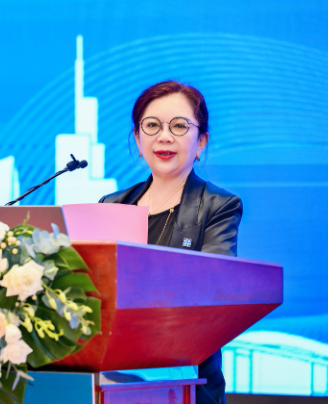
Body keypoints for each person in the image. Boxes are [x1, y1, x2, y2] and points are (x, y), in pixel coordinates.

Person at [99, 80, 242, 404]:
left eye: (179, 126)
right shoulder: (112, 204)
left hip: (187, 384)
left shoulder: (219, 206)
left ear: (201, 141)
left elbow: (213, 294)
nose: (164, 136)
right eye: (152, 126)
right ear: (138, 139)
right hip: (113, 381)